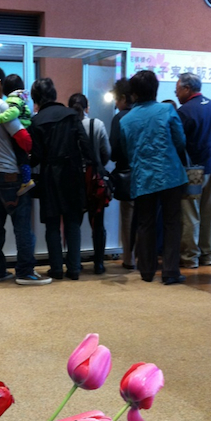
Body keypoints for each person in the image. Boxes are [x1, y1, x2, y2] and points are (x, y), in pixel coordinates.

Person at [0, 64, 51, 285]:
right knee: (22, 225)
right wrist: (31, 147)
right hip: (11, 175)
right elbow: (22, 137)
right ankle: (25, 272)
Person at [120, 70, 187, 285]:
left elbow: (126, 150)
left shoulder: (126, 120)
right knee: (172, 223)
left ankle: (146, 271)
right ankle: (170, 271)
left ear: (133, 93)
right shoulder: (167, 110)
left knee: (145, 223)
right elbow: (180, 141)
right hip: (170, 174)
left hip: (143, 176)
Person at [30, 78, 92, 280]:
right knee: (73, 222)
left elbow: (36, 156)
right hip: (73, 172)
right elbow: (85, 144)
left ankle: (56, 268)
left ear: (36, 99)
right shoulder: (71, 115)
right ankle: (74, 268)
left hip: (49, 175)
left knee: (52, 224)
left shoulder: (36, 121)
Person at [175, 72, 211, 268]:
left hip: (193, 172)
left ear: (187, 89)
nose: (176, 93)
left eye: (177, 89)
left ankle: (190, 257)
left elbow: (178, 143)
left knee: (190, 215)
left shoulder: (185, 111)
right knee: (209, 214)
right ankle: (208, 255)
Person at [68, 92, 111, 274]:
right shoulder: (97, 124)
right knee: (98, 223)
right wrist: (98, 165)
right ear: (87, 108)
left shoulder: (67, 126)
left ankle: (74, 263)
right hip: (94, 180)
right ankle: (99, 264)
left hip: (73, 180)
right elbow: (106, 152)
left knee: (73, 224)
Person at [0, 74, 36, 197]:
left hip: (21, 130)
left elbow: (14, 111)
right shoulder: (21, 97)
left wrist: (0, 118)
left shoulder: (13, 99)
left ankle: (26, 181)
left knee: (22, 157)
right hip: (26, 128)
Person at [109, 78, 135, 270]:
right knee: (145, 219)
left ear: (124, 98)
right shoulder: (146, 114)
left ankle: (129, 258)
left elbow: (114, 150)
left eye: (117, 99)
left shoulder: (120, 118)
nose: (116, 103)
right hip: (148, 174)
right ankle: (145, 258)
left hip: (127, 173)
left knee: (128, 218)